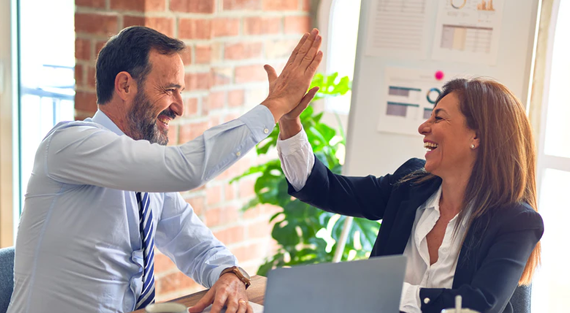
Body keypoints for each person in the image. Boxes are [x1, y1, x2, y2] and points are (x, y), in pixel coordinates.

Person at [8, 26, 323, 313]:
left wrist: (230, 274)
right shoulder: (69, 144)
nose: (179, 107)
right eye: (170, 90)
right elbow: (188, 169)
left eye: (181, 91)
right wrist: (276, 104)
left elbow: (194, 243)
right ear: (124, 85)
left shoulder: (146, 176)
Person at [276, 78, 544, 313]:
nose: (423, 127)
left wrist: (385, 292)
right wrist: (290, 122)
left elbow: (479, 305)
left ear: (477, 136)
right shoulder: (410, 184)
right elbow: (326, 189)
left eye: (438, 118)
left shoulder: (517, 222)